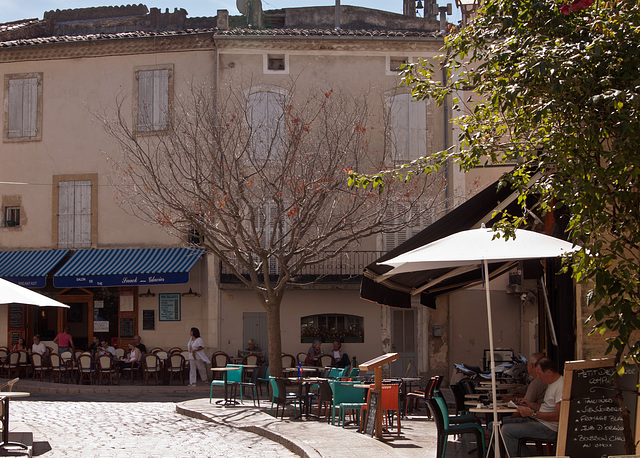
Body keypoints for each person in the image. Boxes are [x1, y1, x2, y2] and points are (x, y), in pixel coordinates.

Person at [501, 357, 563, 457]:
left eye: (539, 373)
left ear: (548, 372)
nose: (538, 377)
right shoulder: (551, 384)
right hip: (540, 421)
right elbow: (545, 407)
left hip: (549, 427)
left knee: (506, 430)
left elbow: (558, 416)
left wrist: (533, 414)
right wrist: (530, 404)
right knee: (497, 425)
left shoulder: (561, 386)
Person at [502, 352, 547, 421]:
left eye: (527, 364)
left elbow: (524, 405)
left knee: (495, 424)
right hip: (540, 416)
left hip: (536, 418)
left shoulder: (537, 382)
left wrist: (509, 420)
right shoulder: (543, 380)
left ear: (531, 366)